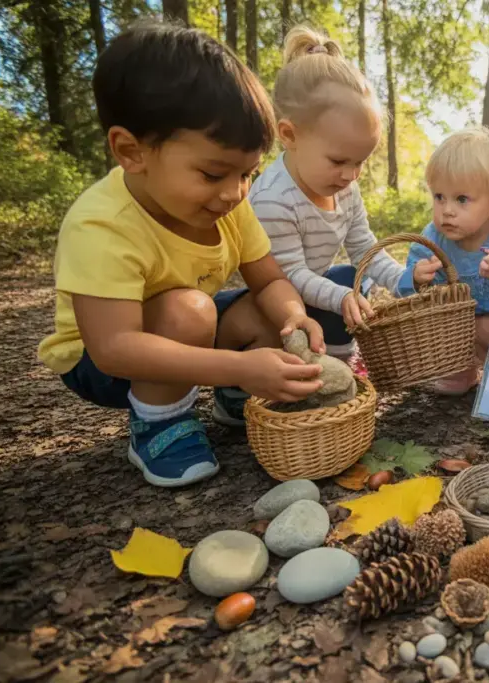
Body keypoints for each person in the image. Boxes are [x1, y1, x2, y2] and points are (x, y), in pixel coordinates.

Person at [36, 22, 326, 487]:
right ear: (132, 151)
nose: (234, 192)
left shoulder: (230, 204)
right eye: (213, 173)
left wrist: (294, 317)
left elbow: (269, 280)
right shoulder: (103, 224)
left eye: (247, 173)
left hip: (183, 331)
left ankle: (235, 396)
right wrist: (236, 365)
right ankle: (159, 422)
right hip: (103, 360)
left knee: (267, 310)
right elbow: (115, 349)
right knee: (187, 310)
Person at [250, 25, 403, 366]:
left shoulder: (345, 187)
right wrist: (339, 297)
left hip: (313, 295)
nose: (351, 175)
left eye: (359, 162)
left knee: (351, 278)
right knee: (339, 290)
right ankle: (241, 388)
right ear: (290, 135)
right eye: (338, 161)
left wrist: (404, 280)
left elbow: (364, 249)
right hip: (274, 304)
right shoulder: (274, 198)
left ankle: (335, 365)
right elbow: (289, 276)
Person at [397, 127, 489, 395]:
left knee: (487, 328)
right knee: (447, 328)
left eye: (461, 199)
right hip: (456, 329)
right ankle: (458, 371)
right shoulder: (432, 239)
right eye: (439, 197)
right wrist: (416, 278)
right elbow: (407, 292)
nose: (447, 210)